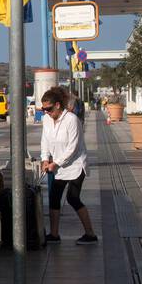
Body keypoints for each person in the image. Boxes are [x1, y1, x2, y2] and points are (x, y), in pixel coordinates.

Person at [39, 87, 97, 244]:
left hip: (76, 165)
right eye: (43, 109)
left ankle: (90, 234)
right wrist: (45, 159)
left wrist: (56, 163)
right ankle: (54, 234)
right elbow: (45, 140)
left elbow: (74, 147)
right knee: (54, 198)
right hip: (58, 167)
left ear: (58, 105)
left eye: (49, 109)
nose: (46, 112)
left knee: (73, 198)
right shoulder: (46, 120)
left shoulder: (72, 120)